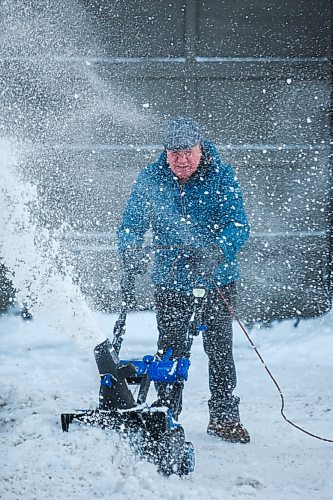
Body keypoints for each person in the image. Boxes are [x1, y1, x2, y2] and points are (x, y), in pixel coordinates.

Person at [118, 117, 250, 443]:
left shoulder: (221, 176)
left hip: (216, 280)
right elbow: (130, 224)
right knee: (171, 351)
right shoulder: (150, 179)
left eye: (188, 152)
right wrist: (130, 249)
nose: (182, 160)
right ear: (165, 152)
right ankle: (166, 414)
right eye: (174, 153)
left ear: (200, 148)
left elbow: (238, 225)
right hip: (171, 281)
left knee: (220, 350)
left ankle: (224, 418)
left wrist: (217, 250)